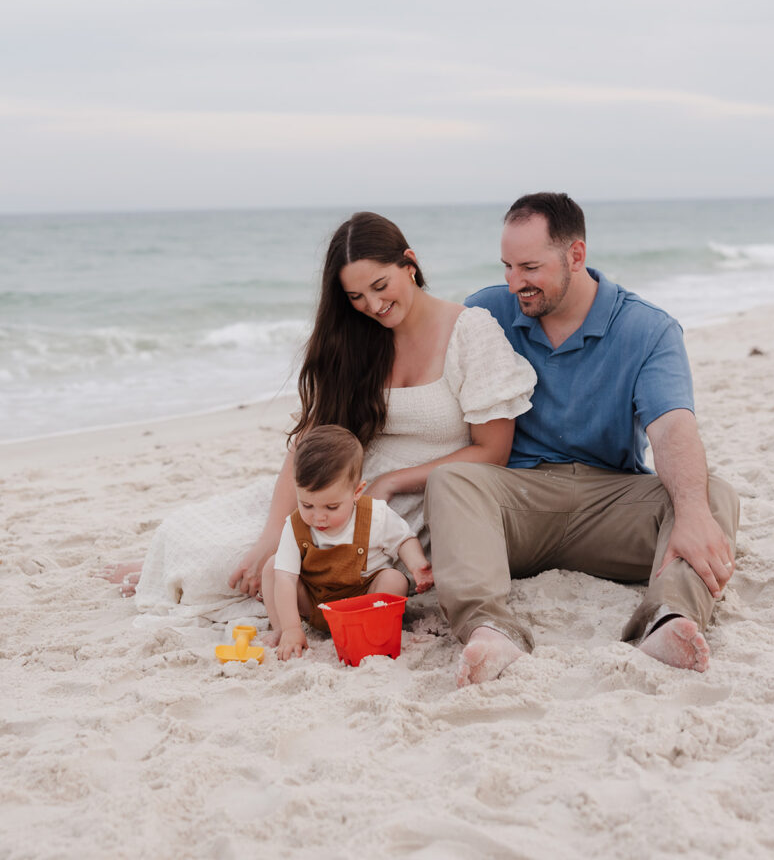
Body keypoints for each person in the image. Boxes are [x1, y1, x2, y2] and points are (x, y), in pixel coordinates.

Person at [102, 211, 536, 625]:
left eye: (380, 285)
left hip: (411, 508)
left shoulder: (470, 331)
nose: (373, 305)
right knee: (212, 544)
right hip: (330, 494)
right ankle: (168, 564)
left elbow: (493, 452)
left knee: (229, 572)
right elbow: (307, 445)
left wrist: (391, 482)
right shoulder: (359, 340)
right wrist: (272, 535)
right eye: (356, 297)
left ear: (410, 264)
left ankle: (171, 572)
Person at [425, 192, 740, 687]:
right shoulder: (485, 313)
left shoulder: (648, 329)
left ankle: (668, 620)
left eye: (529, 267)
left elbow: (673, 429)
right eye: (506, 266)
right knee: (452, 481)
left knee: (711, 495)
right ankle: (489, 628)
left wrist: (695, 515)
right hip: (517, 504)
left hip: (609, 505)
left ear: (576, 255)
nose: (514, 284)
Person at [264, 425, 433, 660]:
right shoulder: (295, 526)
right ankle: (281, 630)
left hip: (365, 602)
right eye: (307, 505)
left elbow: (404, 540)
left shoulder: (375, 514)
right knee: (273, 568)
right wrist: (292, 628)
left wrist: (418, 566)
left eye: (331, 507)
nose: (318, 517)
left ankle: (375, 627)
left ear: (357, 492)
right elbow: (286, 579)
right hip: (316, 605)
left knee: (394, 579)